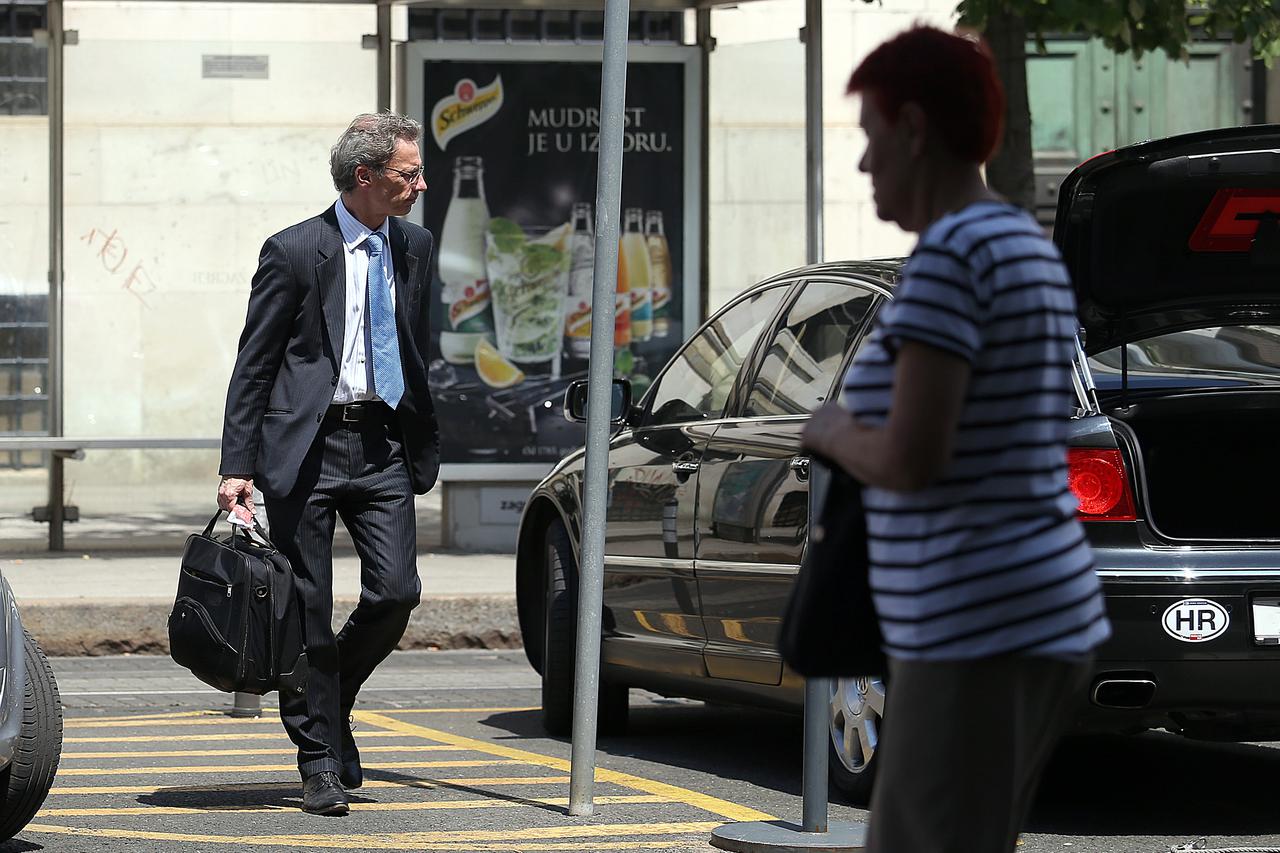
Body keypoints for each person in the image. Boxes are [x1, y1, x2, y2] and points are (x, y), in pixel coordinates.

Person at [800, 25, 1110, 853]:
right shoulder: (1021, 245)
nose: (864, 164)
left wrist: (830, 429)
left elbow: (913, 456)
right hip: (1032, 610)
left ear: (913, 128)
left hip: (977, 623)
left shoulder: (951, 259)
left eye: (869, 139)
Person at [217, 112, 438, 816]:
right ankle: (316, 760)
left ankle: (332, 690)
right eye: (408, 174)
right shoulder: (293, 250)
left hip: (381, 445)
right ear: (364, 177)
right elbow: (254, 365)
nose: (420, 184)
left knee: (396, 591)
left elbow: (413, 343)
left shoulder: (416, 246)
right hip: (304, 448)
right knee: (305, 610)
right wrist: (237, 463)